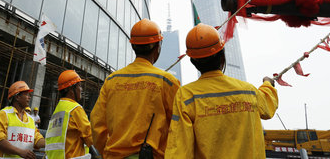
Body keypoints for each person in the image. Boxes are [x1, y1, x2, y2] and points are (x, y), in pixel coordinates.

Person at [165, 24, 279, 158]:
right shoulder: (248, 91)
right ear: (222, 57)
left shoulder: (187, 95)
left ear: (193, 62)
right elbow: (267, 106)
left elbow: (179, 148)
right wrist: (268, 84)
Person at [90, 19, 180, 159]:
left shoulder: (112, 81)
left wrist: (108, 152)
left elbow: (97, 124)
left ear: (133, 46)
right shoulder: (167, 81)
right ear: (158, 46)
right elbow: (179, 129)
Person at [0, 81, 45, 159]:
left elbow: (37, 139)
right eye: (26, 94)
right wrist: (20, 152)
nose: (29, 97)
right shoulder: (4, 114)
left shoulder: (30, 119)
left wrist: (53, 143)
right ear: (17, 97)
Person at [46, 70, 93, 159]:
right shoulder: (75, 109)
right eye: (79, 86)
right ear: (71, 90)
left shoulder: (58, 109)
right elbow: (90, 138)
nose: (81, 89)